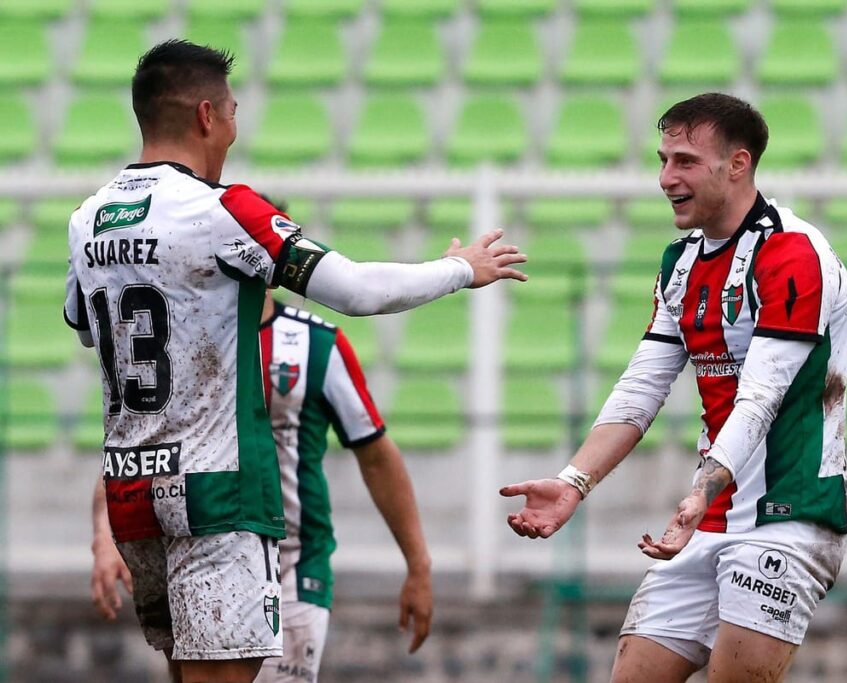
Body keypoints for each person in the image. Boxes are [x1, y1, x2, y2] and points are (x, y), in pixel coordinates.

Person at [65, 40, 524, 683]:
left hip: (131, 491)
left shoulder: (88, 220)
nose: (234, 125)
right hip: (217, 491)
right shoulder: (225, 208)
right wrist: (459, 269)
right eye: (231, 111)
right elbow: (357, 290)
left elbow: (86, 328)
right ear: (205, 115)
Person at [501, 93, 847, 682]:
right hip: (706, 518)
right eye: (663, 159)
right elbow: (641, 387)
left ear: (737, 164)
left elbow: (759, 398)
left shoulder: (793, 253)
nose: (666, 178)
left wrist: (699, 490)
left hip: (786, 516)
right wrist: (573, 483)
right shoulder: (680, 262)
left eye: (685, 161)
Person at [91, 289, 434, 683]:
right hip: (199, 556)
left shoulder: (316, 345)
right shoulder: (178, 342)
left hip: (293, 563)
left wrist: (418, 565)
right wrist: (104, 537)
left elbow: (376, 455)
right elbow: (136, 446)